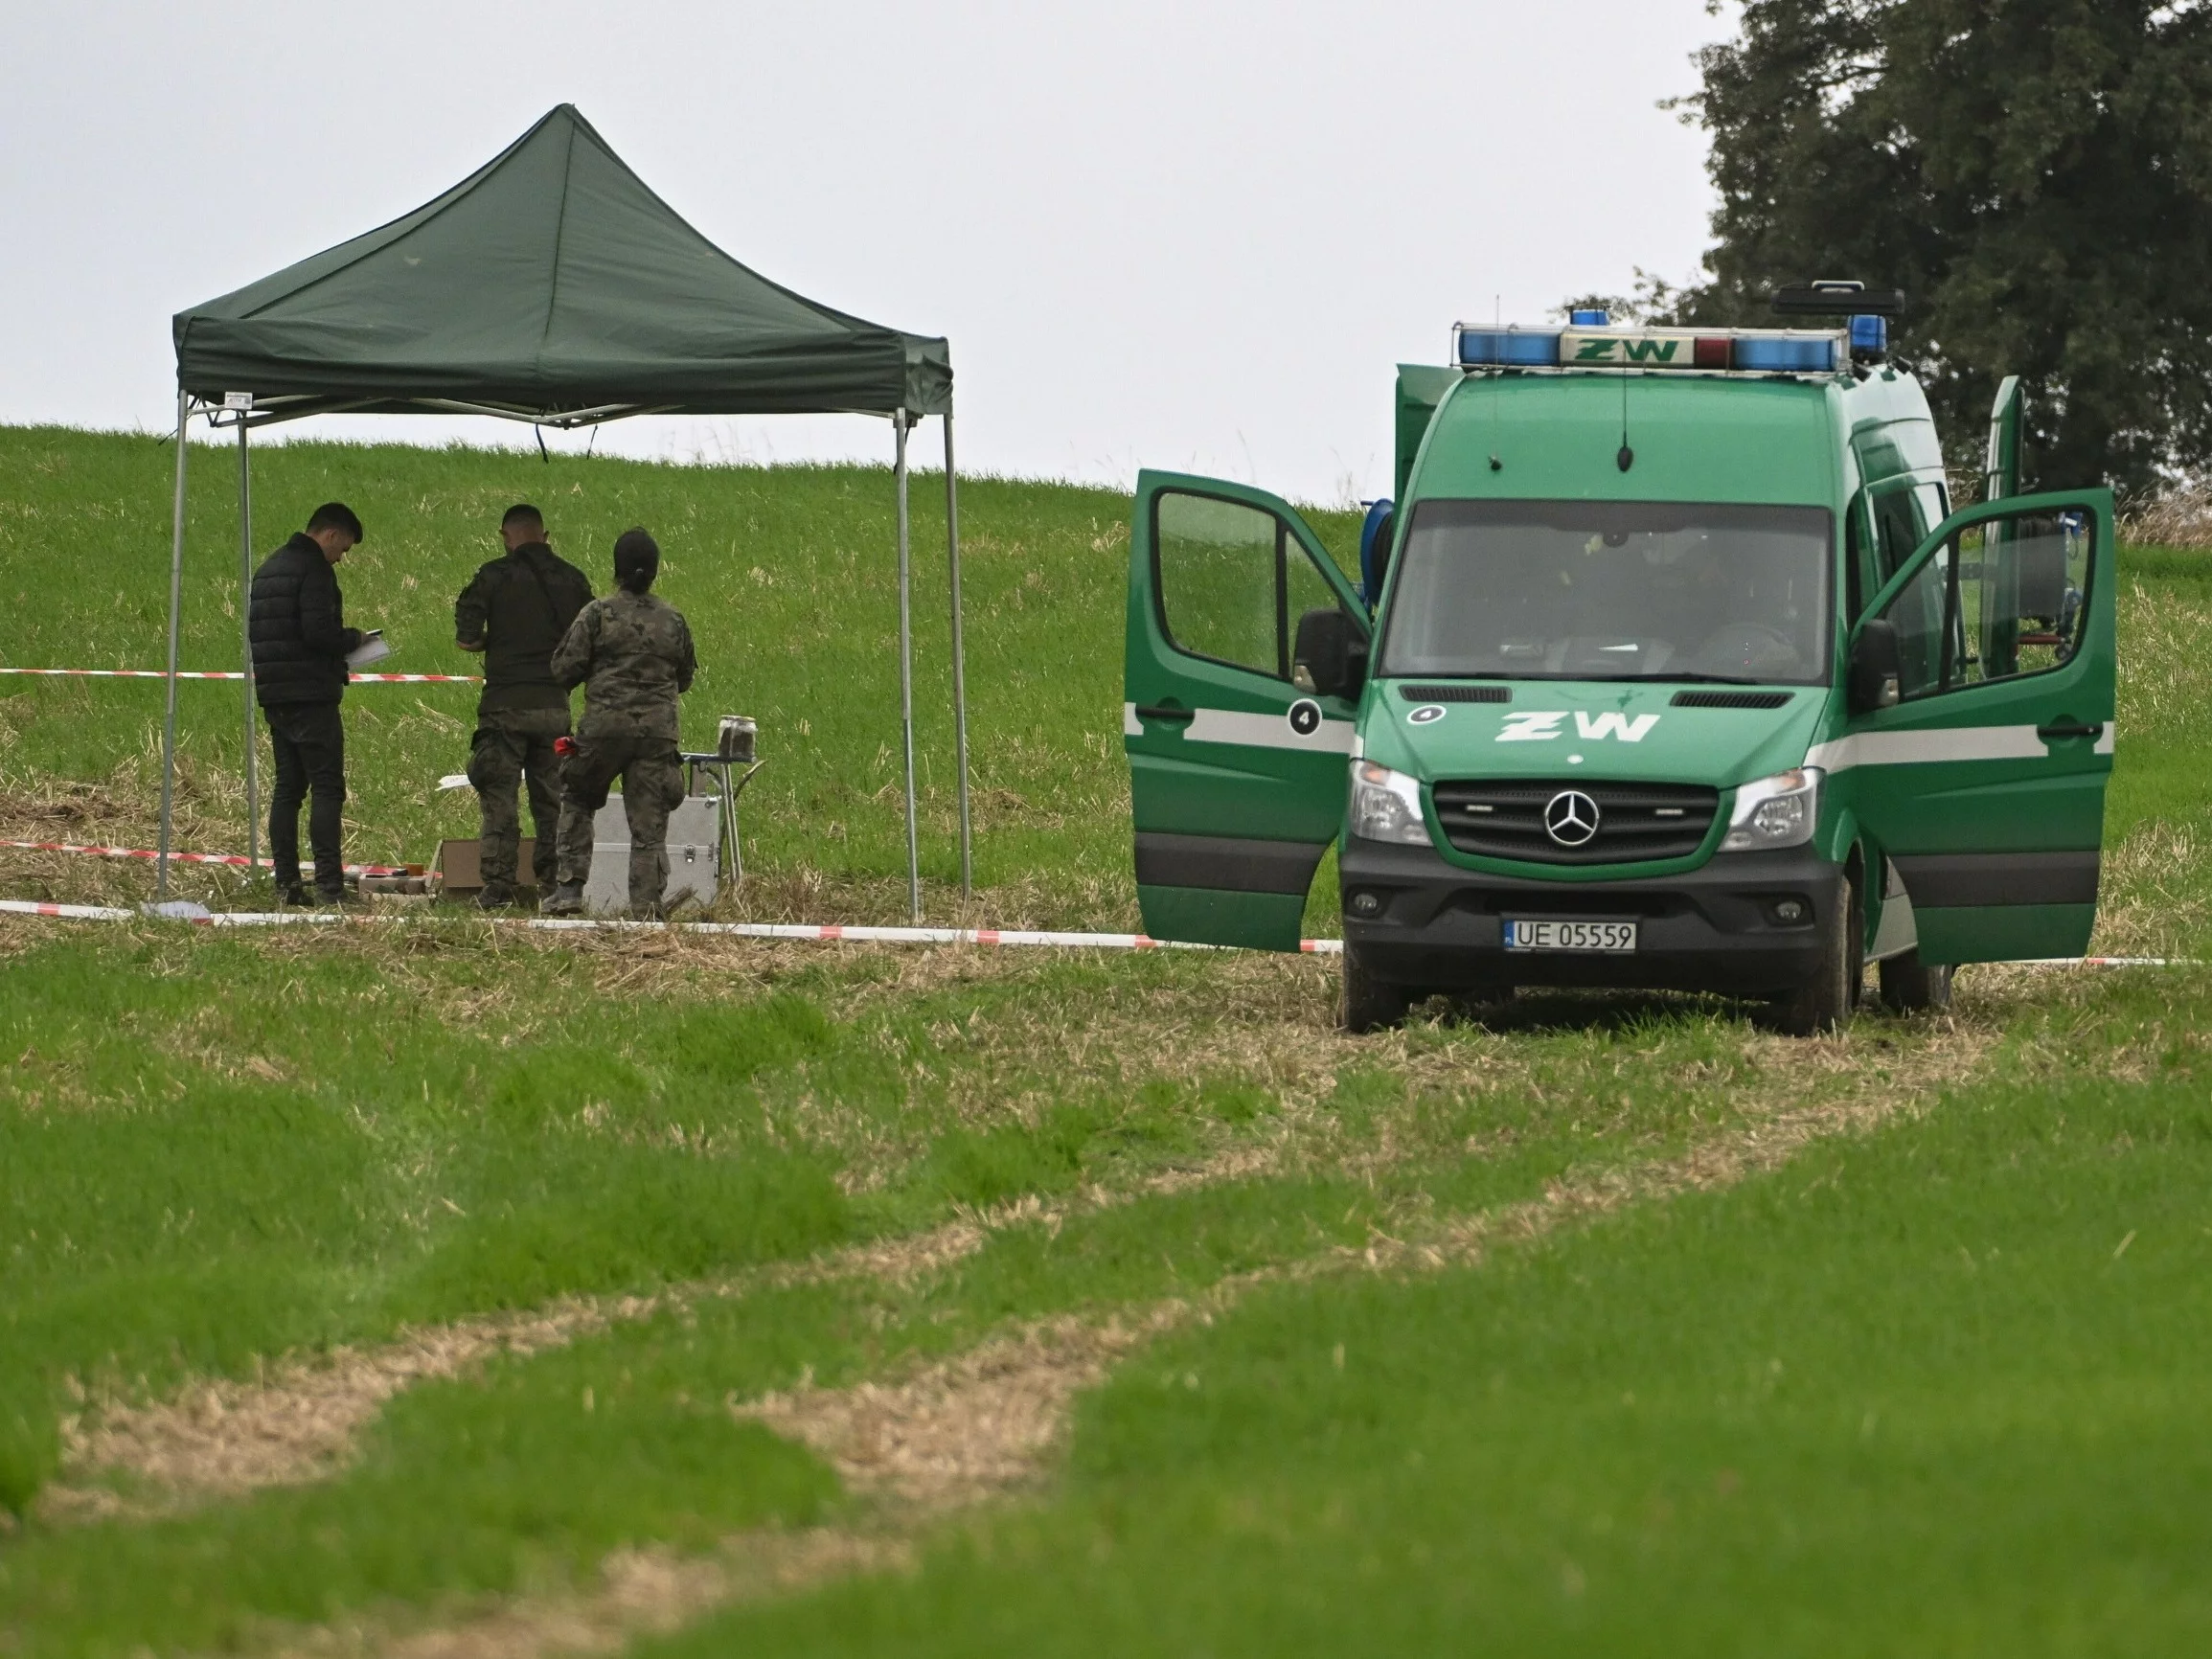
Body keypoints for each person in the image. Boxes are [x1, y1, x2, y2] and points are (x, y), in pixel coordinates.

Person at [543, 528, 697, 918]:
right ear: (655, 572)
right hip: (656, 736)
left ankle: (569, 893)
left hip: (603, 730)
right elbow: (684, 680)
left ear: (617, 570)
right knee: (649, 825)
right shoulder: (674, 620)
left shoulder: (597, 614)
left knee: (578, 796)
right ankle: (646, 906)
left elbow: (563, 670)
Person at [452, 503, 594, 907]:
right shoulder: (572, 579)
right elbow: (589, 644)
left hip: (503, 706)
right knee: (552, 800)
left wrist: (489, 643)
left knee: (500, 797)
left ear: (505, 536)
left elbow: (465, 637)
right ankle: (555, 886)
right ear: (545, 536)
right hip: (553, 708)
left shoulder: (493, 576)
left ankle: (498, 888)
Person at [249, 501, 371, 904]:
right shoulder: (314, 570)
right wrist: (355, 639)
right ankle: (330, 886)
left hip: (274, 693)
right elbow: (318, 633)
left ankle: (286, 884)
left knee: (287, 790)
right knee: (327, 788)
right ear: (331, 534)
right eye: (344, 549)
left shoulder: (268, 568)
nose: (341, 558)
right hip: (311, 695)